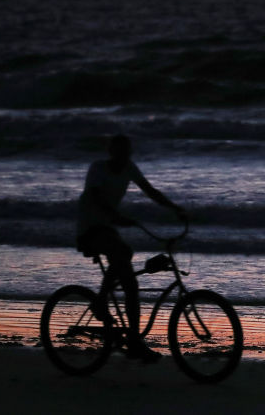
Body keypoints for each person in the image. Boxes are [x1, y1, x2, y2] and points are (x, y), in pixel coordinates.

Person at [76, 134, 185, 361]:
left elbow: (150, 191)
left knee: (130, 281)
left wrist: (175, 208)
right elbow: (95, 197)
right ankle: (103, 305)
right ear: (111, 152)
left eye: (126, 152)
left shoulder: (129, 168)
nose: (123, 156)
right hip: (89, 229)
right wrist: (116, 216)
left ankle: (129, 334)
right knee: (124, 257)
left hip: (107, 228)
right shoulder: (97, 168)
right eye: (119, 151)